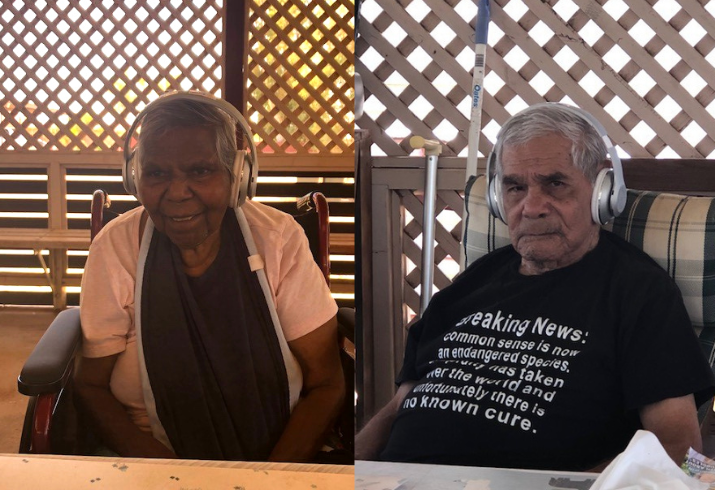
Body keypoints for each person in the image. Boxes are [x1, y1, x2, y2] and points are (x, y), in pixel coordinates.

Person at [355, 103, 715, 471]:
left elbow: (680, 453)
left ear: (601, 190)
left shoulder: (639, 292)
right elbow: (403, 401)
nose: (531, 207)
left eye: (555, 184)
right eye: (515, 187)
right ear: (498, 199)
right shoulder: (471, 283)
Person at [73, 93, 345, 462]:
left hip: (278, 461)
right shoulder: (116, 248)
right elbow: (91, 386)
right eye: (156, 173)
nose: (177, 193)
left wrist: (268, 480)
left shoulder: (278, 239)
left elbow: (327, 383)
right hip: (153, 460)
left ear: (238, 176)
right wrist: (172, 478)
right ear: (134, 179)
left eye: (200, 171)